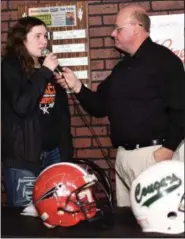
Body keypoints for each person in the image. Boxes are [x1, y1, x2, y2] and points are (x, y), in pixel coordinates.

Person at [54, 5, 185, 208]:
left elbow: (181, 109)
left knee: (158, 224)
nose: (112, 34)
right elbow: (99, 106)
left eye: (117, 28)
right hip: (124, 158)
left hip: (153, 156)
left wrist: (167, 149)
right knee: (127, 227)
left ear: (136, 27)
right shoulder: (121, 68)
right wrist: (77, 86)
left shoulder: (165, 61)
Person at [1, 16, 73, 207]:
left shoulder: (46, 70)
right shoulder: (10, 67)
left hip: (54, 153)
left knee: (55, 211)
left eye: (46, 36)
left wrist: (66, 150)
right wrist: (44, 72)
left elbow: (61, 113)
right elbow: (22, 106)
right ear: (22, 39)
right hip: (25, 158)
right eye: (37, 36)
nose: (44, 41)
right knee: (26, 220)